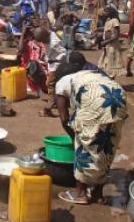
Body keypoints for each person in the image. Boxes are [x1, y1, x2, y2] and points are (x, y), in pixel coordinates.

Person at [54, 51, 127, 204]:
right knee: (107, 146)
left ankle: (80, 193)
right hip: (118, 97)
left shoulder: (61, 83)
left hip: (96, 100)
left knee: (83, 145)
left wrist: (74, 136)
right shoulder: (90, 74)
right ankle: (98, 194)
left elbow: (64, 118)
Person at [40, 27, 67, 117]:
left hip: (56, 65)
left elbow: (63, 53)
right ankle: (56, 102)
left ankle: (50, 107)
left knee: (50, 85)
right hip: (53, 64)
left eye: (41, 40)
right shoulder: (51, 34)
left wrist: (53, 60)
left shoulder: (53, 43)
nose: (41, 42)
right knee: (54, 84)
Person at [18, 25, 49, 97]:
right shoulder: (27, 43)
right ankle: (39, 89)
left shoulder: (44, 43)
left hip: (45, 71)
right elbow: (20, 49)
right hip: (33, 71)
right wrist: (23, 33)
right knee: (33, 64)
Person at [97, 6, 126, 78]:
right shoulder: (108, 20)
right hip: (108, 47)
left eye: (106, 11)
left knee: (111, 66)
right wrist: (98, 30)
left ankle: (111, 81)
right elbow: (107, 28)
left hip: (112, 47)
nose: (104, 13)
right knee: (107, 64)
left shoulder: (115, 21)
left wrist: (105, 42)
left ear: (111, 12)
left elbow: (116, 36)